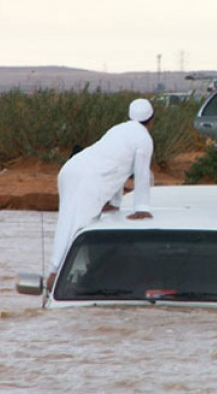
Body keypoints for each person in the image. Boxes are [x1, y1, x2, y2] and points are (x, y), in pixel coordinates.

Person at [46, 98, 155, 291]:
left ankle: (63, 274)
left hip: (71, 169)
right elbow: (141, 173)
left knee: (68, 220)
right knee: (75, 225)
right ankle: (55, 274)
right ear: (151, 120)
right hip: (89, 179)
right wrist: (141, 208)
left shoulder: (118, 129)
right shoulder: (144, 139)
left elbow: (117, 169)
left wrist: (114, 204)